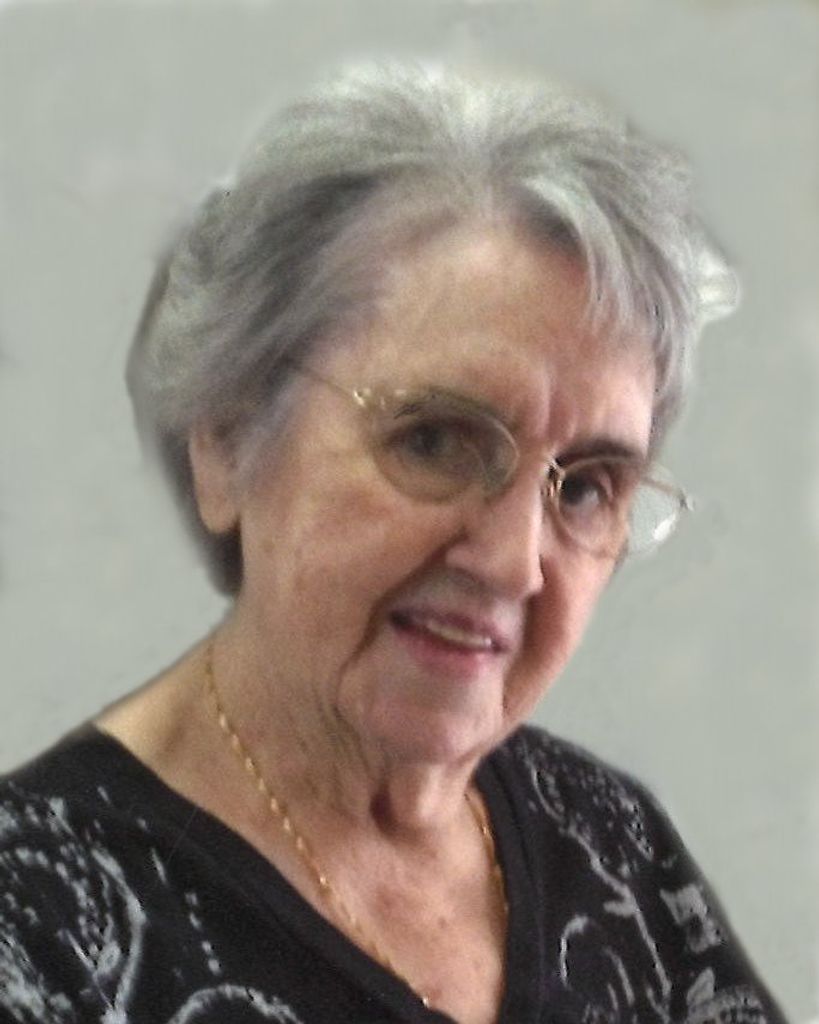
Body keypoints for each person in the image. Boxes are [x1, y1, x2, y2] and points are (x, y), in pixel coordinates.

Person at [0, 62, 787, 1024]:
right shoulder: (40, 927)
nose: (513, 562)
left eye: (585, 487)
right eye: (435, 441)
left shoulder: (609, 841)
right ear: (228, 439)